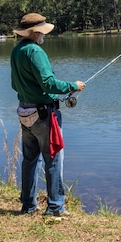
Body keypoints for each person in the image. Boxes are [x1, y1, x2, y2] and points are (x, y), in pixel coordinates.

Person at [10, 13, 85, 216]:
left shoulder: (17, 51)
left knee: (29, 161)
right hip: (43, 115)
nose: (44, 34)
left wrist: (48, 93)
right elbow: (49, 83)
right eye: (42, 30)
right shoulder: (35, 51)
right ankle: (55, 207)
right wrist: (73, 86)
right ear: (35, 32)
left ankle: (28, 206)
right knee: (53, 159)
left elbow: (15, 84)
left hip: (24, 112)